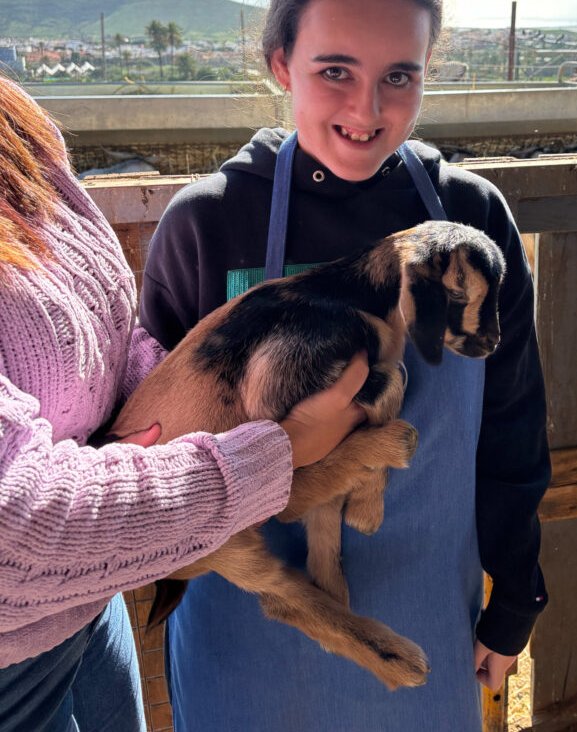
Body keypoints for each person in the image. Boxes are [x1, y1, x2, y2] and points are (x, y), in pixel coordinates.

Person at [139, 0, 551, 731]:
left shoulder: (471, 219)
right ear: (280, 64)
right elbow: (149, 445)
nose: (368, 108)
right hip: (242, 631)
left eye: (400, 75)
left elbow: (513, 422)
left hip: (424, 615)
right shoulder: (207, 224)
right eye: (335, 70)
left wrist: (516, 598)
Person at [0, 77, 368, 732]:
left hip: (85, 605)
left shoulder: (17, 122)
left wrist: (178, 401)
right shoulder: (202, 216)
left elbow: (97, 339)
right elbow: (14, 525)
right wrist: (269, 455)